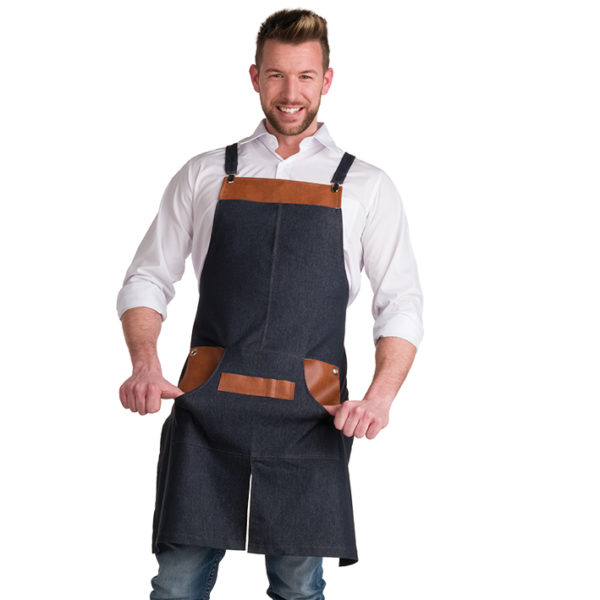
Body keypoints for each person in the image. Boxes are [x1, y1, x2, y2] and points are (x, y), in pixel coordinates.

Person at [117, 8, 423, 600]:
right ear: (255, 76)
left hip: (311, 415)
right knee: (177, 585)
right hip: (208, 407)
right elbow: (147, 278)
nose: (290, 93)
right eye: (277, 75)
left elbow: (401, 304)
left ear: (326, 80)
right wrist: (145, 364)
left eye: (305, 76)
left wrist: (380, 398)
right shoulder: (206, 173)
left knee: (298, 586)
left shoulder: (366, 185)